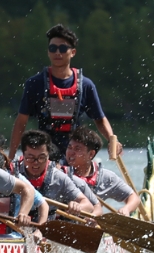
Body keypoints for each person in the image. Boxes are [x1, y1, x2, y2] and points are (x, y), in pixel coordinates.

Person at [8, 23, 122, 161]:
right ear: (48, 51)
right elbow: (21, 122)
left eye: (62, 48)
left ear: (73, 52)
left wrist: (112, 140)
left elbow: (100, 119)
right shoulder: (34, 84)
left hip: (74, 150)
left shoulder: (86, 85)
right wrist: (11, 157)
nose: (57, 53)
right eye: (53, 48)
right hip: (44, 152)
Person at [14, 129, 100, 222]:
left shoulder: (59, 177)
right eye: (30, 158)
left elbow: (89, 206)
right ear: (23, 155)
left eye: (41, 158)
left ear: (48, 156)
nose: (36, 163)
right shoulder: (12, 173)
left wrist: (78, 206)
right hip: (14, 230)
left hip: (46, 231)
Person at [64, 125, 140, 216]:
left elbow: (134, 198)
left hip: (92, 224)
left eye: (77, 149)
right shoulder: (61, 172)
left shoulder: (106, 178)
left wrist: (126, 209)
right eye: (69, 147)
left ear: (91, 154)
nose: (71, 152)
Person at [0, 147, 48, 239]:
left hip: (11, 237)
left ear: (3, 166)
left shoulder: (16, 179)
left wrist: (39, 231)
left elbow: (43, 204)